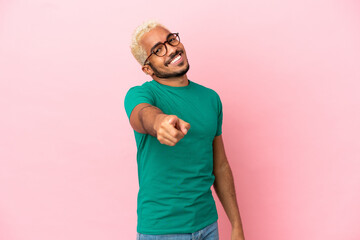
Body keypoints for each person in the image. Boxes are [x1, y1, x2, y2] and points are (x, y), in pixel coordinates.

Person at [124, 20, 245, 240]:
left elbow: (220, 165)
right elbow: (142, 114)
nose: (172, 49)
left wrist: (236, 225)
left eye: (171, 40)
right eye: (158, 50)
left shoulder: (210, 98)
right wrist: (159, 122)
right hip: (162, 230)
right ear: (147, 68)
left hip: (208, 225)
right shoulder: (141, 94)